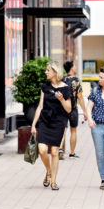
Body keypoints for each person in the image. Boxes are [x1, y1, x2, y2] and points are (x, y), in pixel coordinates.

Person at [30, 60, 72, 191]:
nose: (45, 72)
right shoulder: (45, 87)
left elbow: (69, 109)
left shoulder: (66, 88)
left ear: (55, 72)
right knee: (42, 149)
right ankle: (48, 171)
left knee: (54, 152)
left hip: (58, 123)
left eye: (48, 70)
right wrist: (33, 124)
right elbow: (40, 106)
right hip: (45, 122)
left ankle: (53, 181)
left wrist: (61, 99)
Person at [59, 61, 89, 158]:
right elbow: (80, 97)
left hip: (62, 107)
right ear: (71, 68)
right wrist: (85, 112)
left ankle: (59, 148)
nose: (76, 68)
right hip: (73, 109)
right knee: (73, 130)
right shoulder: (76, 81)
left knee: (63, 129)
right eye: (75, 66)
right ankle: (72, 153)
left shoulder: (62, 79)